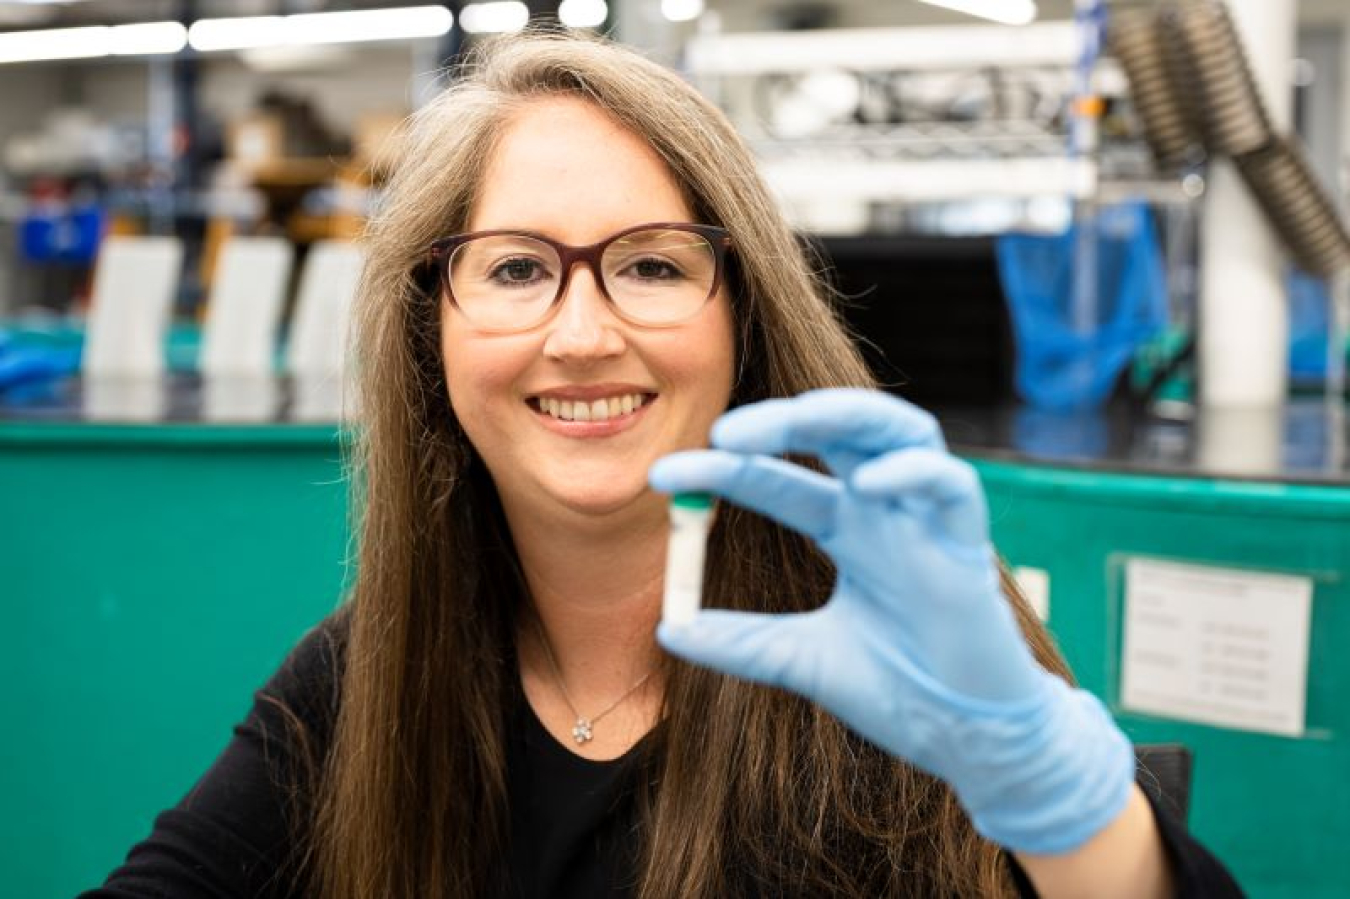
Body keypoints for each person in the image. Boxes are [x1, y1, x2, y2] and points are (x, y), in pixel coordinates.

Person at [85, 31, 1243, 899]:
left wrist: (1056, 794)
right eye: (515, 269)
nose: (583, 331)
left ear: (740, 315)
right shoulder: (370, 671)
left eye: (649, 265)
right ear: (428, 333)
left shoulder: (904, 632)